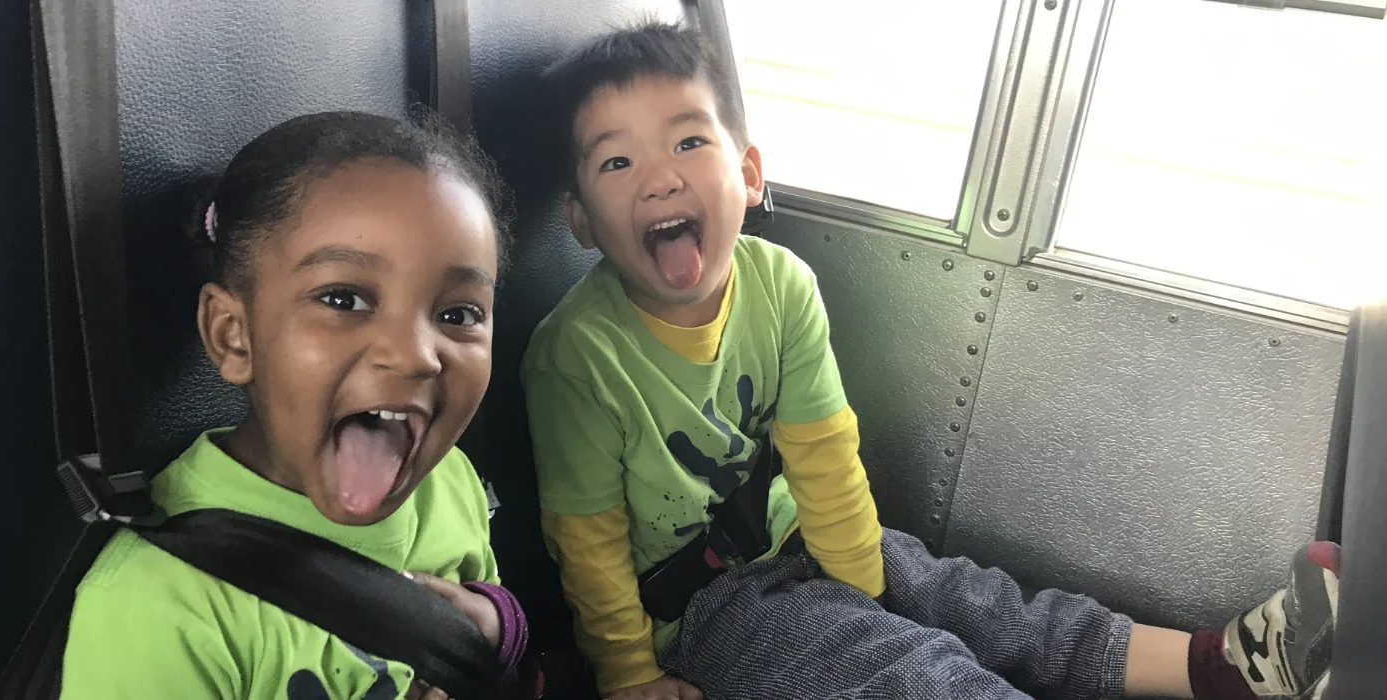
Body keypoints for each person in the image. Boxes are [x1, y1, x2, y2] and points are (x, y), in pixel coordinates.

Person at [522, 21, 1339, 700]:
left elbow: (822, 453)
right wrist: (628, 677)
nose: (660, 179)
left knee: (977, 602)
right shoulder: (578, 356)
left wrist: (867, 585)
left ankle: (1222, 665)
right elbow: (586, 542)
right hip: (699, 610)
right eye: (617, 162)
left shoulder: (781, 286)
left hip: (798, 533)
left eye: (688, 141)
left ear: (747, 172)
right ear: (584, 221)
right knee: (914, 674)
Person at [61, 110, 526, 700]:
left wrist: (496, 628)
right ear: (234, 335)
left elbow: (486, 611)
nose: (415, 357)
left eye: (458, 314)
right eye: (344, 298)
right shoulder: (156, 604)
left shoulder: (451, 481)